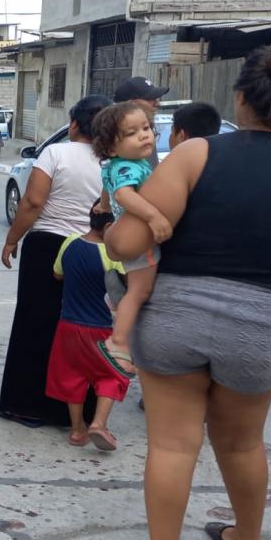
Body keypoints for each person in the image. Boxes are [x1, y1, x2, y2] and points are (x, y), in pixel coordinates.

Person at [104, 38, 271, 540]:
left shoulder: (198, 155)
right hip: (265, 323)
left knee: (172, 445)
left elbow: (128, 244)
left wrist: (117, 223)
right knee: (242, 444)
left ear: (241, 97)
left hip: (177, 318)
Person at [0, 95, 112, 427]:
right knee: (86, 327)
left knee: (35, 323)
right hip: (92, 251)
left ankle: (27, 406)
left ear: (74, 124)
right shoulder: (112, 162)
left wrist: (12, 239)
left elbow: (33, 201)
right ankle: (81, 410)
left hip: (48, 246)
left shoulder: (55, 152)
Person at [89, 101, 166, 377]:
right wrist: (154, 216)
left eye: (146, 128)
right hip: (140, 239)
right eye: (132, 133)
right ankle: (119, 341)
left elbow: (108, 189)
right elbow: (124, 194)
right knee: (139, 292)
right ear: (111, 147)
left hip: (127, 237)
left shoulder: (115, 165)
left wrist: (104, 204)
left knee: (136, 289)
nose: (144, 135)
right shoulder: (130, 168)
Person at [46, 201, 129, 451]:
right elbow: (126, 288)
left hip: (68, 325)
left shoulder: (70, 241)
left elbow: (57, 274)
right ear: (109, 226)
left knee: (73, 376)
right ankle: (99, 425)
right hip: (101, 328)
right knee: (112, 374)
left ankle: (77, 429)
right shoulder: (112, 254)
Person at [114, 77, 169, 169]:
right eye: (150, 99)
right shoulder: (116, 134)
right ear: (131, 104)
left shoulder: (146, 131)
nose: (157, 104)